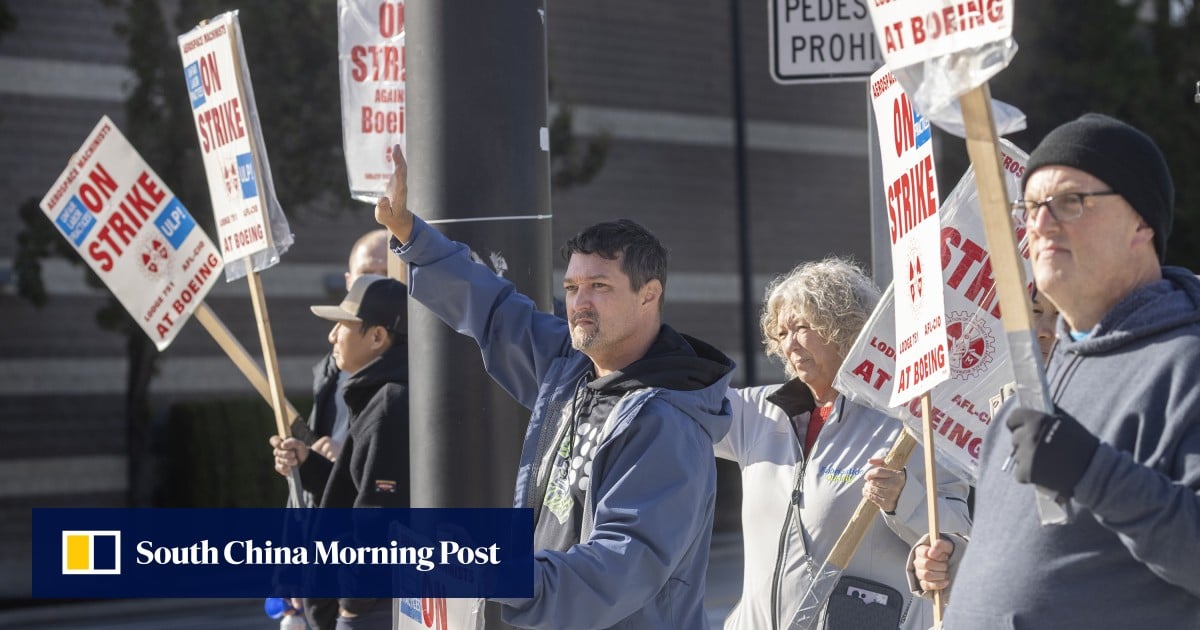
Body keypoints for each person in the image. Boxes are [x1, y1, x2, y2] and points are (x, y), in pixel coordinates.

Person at [374, 145, 735, 628]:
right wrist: (409, 234)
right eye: (571, 288)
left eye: (600, 287)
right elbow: (493, 309)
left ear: (650, 296)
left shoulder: (666, 423)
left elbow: (619, 566)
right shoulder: (571, 366)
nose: (579, 303)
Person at [925, 113, 1200, 628]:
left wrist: (1093, 472)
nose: (1042, 224)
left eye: (1070, 201)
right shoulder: (1027, 390)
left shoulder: (1186, 367)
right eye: (1029, 207)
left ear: (1142, 223)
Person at [716, 258, 971, 630]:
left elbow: (958, 535)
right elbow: (683, 411)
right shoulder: (759, 412)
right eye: (781, 333)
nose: (789, 344)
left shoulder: (910, 422)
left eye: (802, 327)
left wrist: (904, 499)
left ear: (844, 328)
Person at [270, 273, 411, 630]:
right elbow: (354, 486)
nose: (332, 337)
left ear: (377, 336)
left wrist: (351, 609)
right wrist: (310, 464)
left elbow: (376, 516)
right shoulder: (377, 397)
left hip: (370, 612)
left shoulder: (390, 402)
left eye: (342, 326)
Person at [297, 229, 391, 478]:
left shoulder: (409, 369)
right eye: (367, 274)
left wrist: (351, 457)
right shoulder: (330, 368)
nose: (377, 284)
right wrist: (303, 461)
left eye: (387, 274)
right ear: (349, 281)